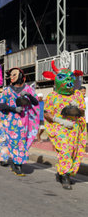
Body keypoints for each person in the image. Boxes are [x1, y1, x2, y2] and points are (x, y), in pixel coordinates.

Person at [43, 61, 86, 190]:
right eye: (63, 78)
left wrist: (76, 107)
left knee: (73, 152)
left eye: (70, 78)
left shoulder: (77, 94)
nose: (68, 81)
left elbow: (83, 111)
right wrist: (60, 121)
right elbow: (46, 114)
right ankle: (66, 176)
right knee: (65, 150)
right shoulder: (52, 96)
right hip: (59, 126)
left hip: (74, 127)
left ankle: (62, 172)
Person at [0, 67, 40, 176]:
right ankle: (17, 165)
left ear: (21, 76)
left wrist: (29, 95)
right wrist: (13, 109)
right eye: (10, 75)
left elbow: (35, 103)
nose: (11, 77)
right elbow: (1, 105)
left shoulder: (28, 89)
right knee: (15, 143)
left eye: (14, 74)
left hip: (24, 121)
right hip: (10, 122)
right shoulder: (7, 90)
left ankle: (17, 163)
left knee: (22, 143)